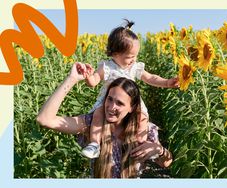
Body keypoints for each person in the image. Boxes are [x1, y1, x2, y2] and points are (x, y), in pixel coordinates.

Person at [36, 62, 173, 178]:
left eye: (119, 103)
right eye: (109, 99)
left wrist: (160, 150)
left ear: (132, 107)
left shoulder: (144, 130)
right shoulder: (93, 124)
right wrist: (72, 79)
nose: (111, 107)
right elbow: (45, 119)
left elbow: (166, 163)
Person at [79, 19, 179, 159]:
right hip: (109, 100)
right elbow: (94, 81)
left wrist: (167, 83)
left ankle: (141, 144)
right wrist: (88, 76)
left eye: (135, 56)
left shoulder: (134, 67)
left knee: (142, 117)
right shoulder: (107, 67)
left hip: (130, 100)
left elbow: (150, 78)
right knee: (97, 115)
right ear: (115, 54)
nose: (133, 59)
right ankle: (95, 144)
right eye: (129, 57)